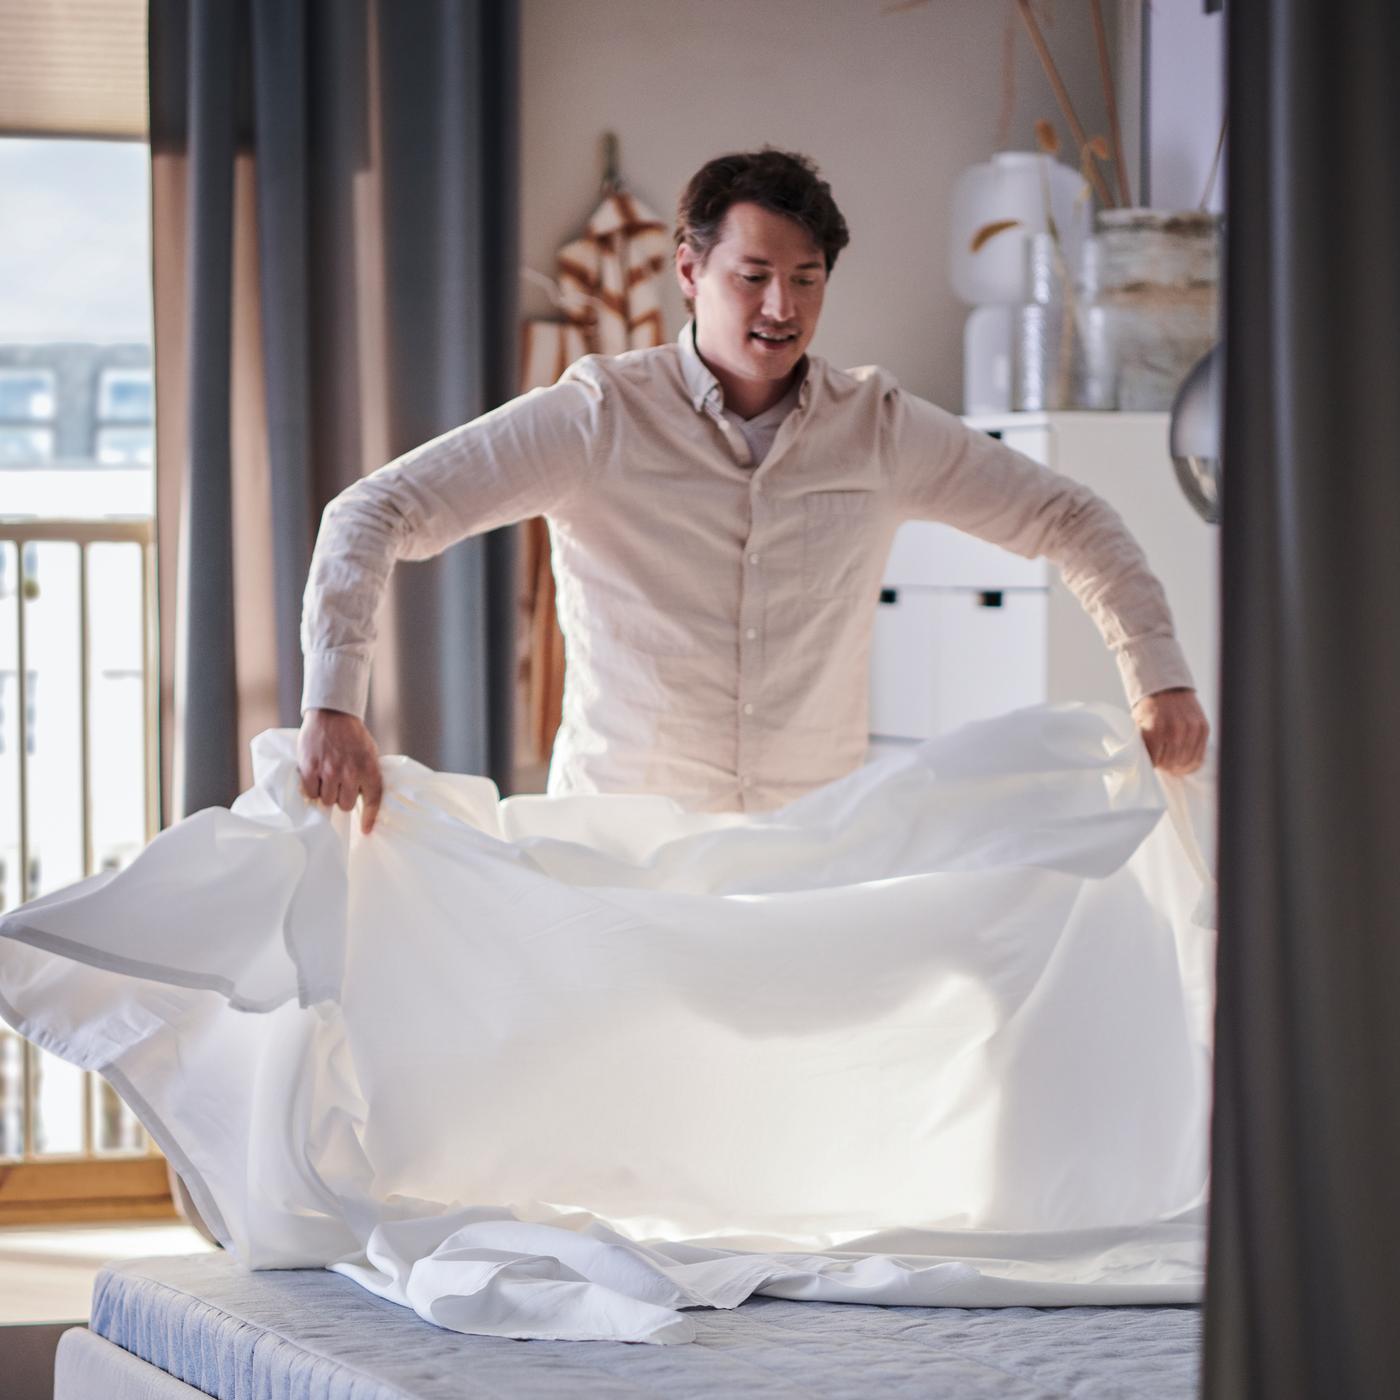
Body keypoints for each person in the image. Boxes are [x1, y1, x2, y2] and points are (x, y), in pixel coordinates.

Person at [297, 148, 1210, 835]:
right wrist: (335, 702)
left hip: (804, 857)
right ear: (690, 274)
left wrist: (1158, 676)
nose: (782, 307)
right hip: (622, 857)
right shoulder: (597, 417)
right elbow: (372, 511)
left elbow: (1071, 515)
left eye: (806, 280)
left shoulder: (880, 429)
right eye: (755, 276)